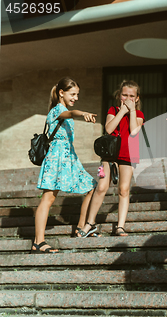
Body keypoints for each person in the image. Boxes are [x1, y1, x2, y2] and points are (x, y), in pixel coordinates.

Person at [33, 77, 97, 252]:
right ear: (61, 93)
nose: (76, 97)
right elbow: (69, 113)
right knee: (48, 198)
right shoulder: (56, 111)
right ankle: (38, 242)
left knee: (92, 186)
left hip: (70, 159)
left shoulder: (63, 109)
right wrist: (82, 113)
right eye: (73, 94)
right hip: (56, 159)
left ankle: (81, 228)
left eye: (77, 95)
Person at [76, 80, 144, 237]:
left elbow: (134, 131)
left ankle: (120, 226)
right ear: (119, 96)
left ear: (137, 98)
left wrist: (132, 111)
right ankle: (90, 224)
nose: (128, 99)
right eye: (124, 95)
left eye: (132, 96)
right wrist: (121, 111)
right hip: (109, 154)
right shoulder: (113, 110)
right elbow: (108, 128)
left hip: (129, 154)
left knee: (124, 189)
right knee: (101, 187)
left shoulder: (139, 114)